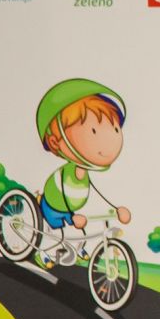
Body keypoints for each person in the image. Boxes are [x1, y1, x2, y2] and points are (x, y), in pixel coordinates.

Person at [34, 77, 132, 268]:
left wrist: (116, 209)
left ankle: (79, 250)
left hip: (70, 211)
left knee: (80, 234)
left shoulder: (84, 173)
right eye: (93, 131)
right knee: (58, 234)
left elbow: (95, 191)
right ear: (55, 142)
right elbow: (62, 194)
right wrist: (72, 216)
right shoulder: (65, 173)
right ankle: (43, 253)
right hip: (53, 209)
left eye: (114, 129)